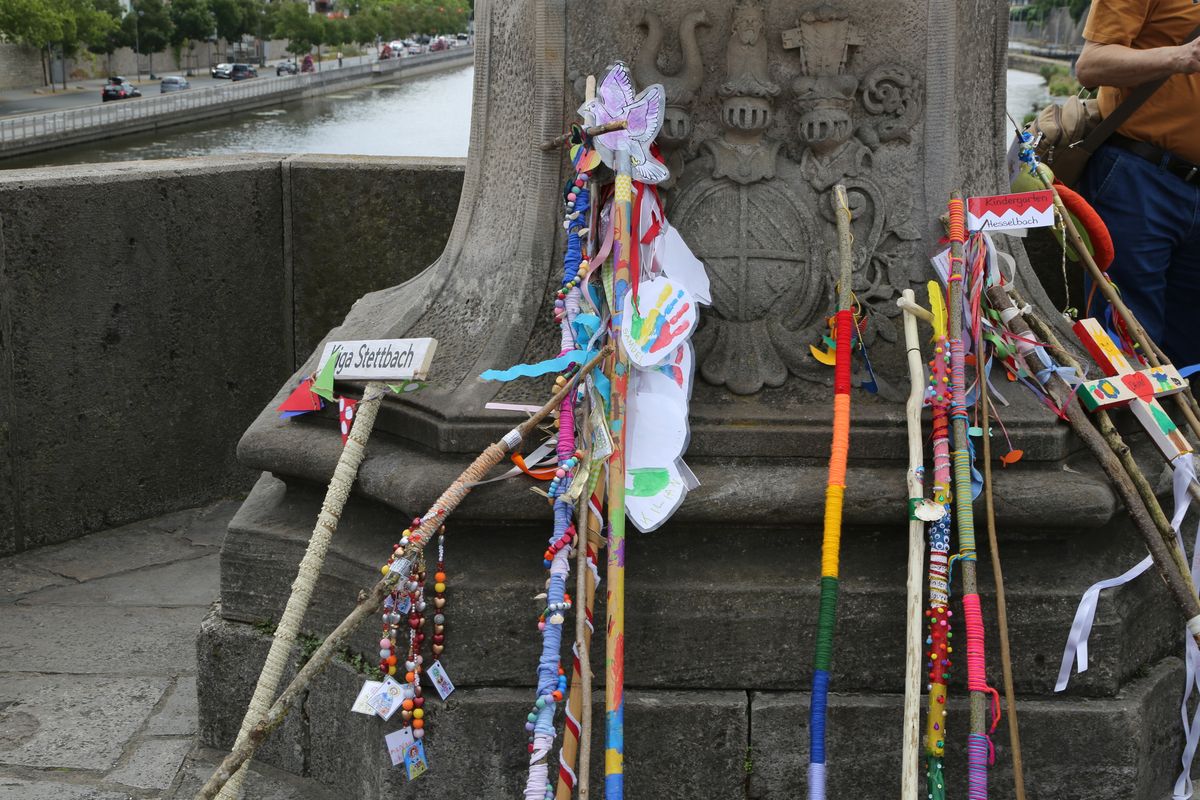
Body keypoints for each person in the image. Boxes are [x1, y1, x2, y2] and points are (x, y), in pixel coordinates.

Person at [1074, 1, 1200, 366]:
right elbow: (1090, 66)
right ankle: (1123, 423)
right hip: (1140, 178)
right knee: (1125, 344)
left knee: (1190, 354)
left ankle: (1179, 425)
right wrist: (1181, 56)